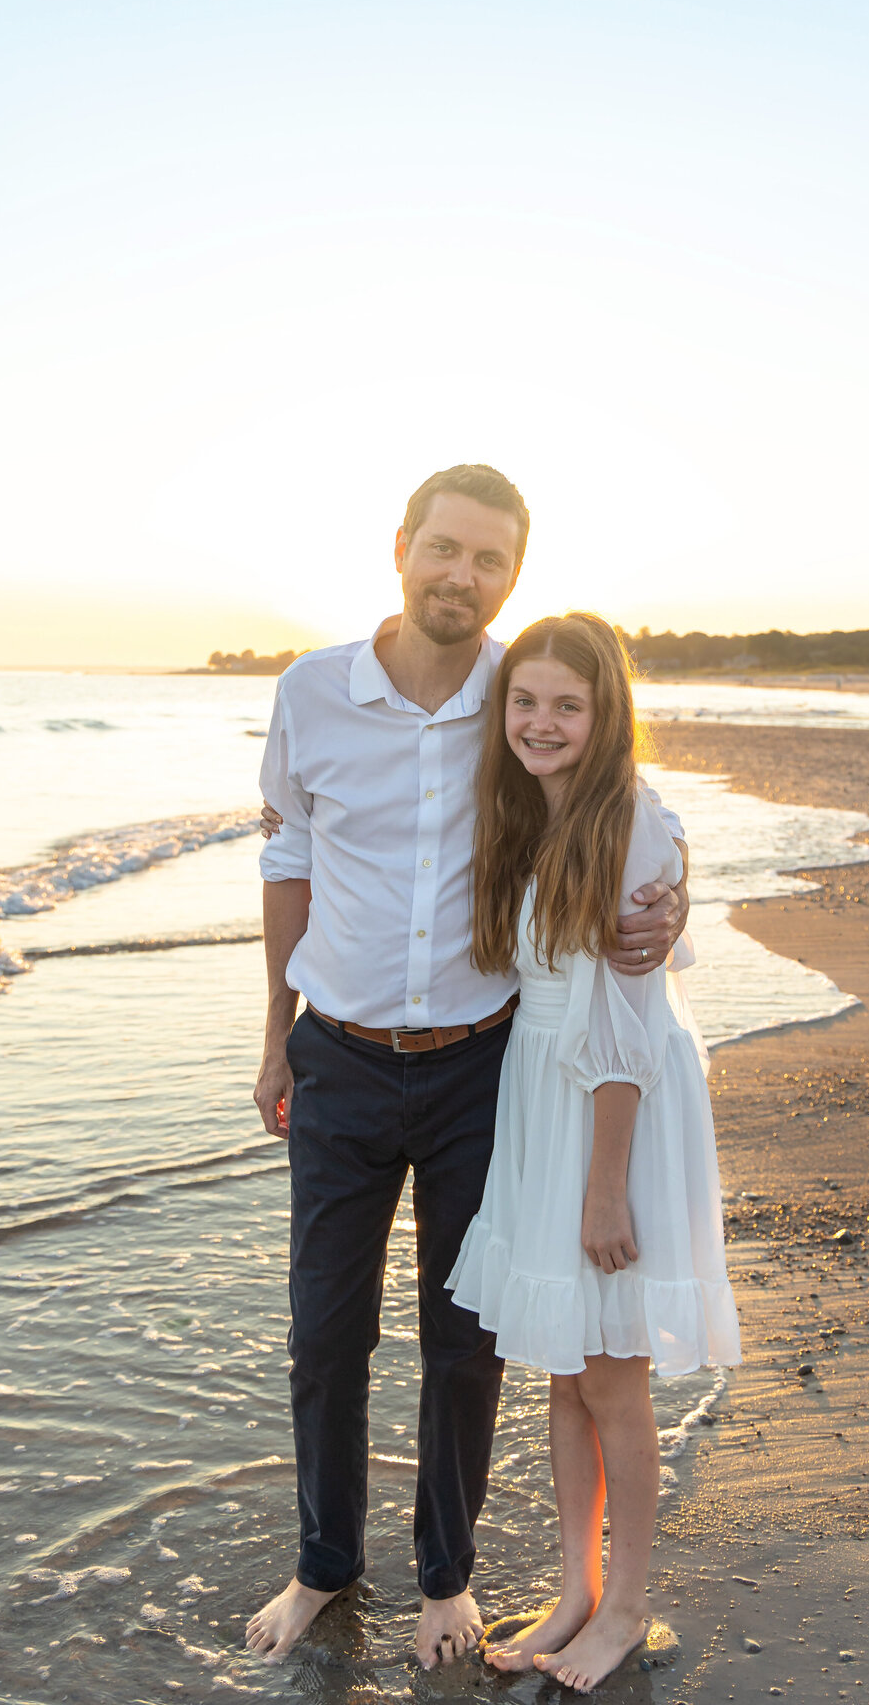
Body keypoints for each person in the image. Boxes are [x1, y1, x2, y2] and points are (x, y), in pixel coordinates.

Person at [243, 465, 691, 1668]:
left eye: (488, 560)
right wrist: (273, 1030)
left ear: (513, 575)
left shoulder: (526, 689)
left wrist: (678, 889)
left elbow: (624, 802)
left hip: (485, 1066)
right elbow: (286, 852)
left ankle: (449, 1579)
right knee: (324, 1332)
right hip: (334, 1055)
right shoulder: (312, 690)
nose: (463, 576)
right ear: (400, 546)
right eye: (444, 549)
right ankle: (323, 1568)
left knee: (467, 1335)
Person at [446, 611, 741, 1694]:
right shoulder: (544, 816)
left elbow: (623, 1036)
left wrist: (604, 1189)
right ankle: (575, 1589)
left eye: (567, 704)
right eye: (524, 701)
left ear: (606, 712)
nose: (540, 721)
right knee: (567, 1378)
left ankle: (626, 1606)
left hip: (606, 1120)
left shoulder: (628, 826)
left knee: (613, 1381)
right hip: (548, 1108)